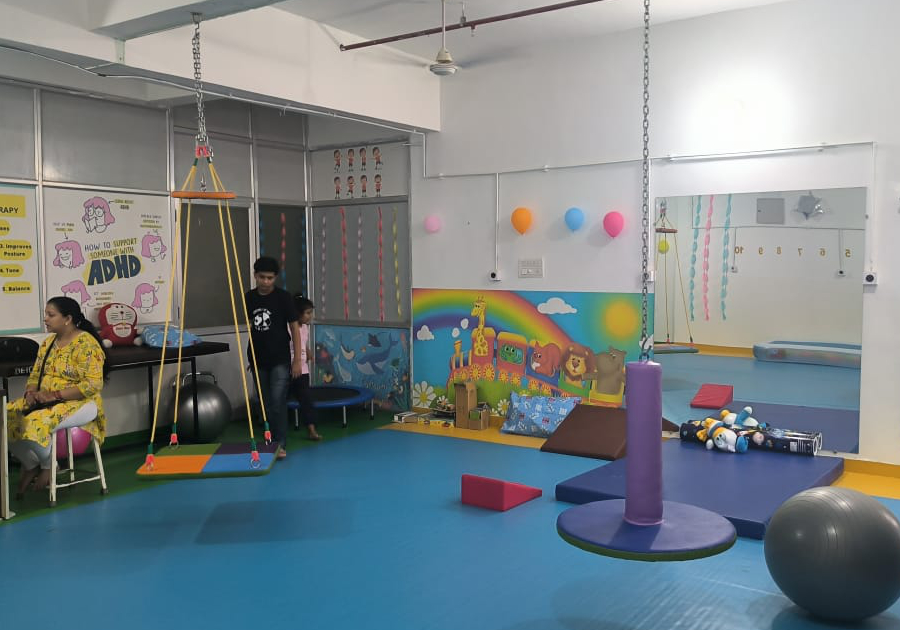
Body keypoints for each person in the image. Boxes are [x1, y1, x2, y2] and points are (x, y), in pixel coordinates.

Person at [6, 296, 108, 497]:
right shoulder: (48, 343)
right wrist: (30, 393)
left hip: (80, 403)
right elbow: (35, 374)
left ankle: (48, 465)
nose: (45, 319)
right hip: (45, 400)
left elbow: (93, 384)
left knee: (34, 422)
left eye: (51, 315)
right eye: (46, 314)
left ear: (67, 319)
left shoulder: (86, 344)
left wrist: (55, 395)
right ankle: (31, 464)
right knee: (6, 417)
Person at [245, 257, 302, 459]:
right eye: (262, 277)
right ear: (255, 276)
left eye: (270, 278)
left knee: (278, 401)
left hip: (280, 358)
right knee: (265, 403)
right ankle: (269, 439)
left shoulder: (283, 298)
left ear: (275, 278)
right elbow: (250, 327)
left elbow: (294, 328)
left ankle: (280, 443)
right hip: (257, 359)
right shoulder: (249, 297)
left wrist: (297, 359)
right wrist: (250, 357)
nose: (266, 282)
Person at [291, 295, 320, 441]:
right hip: (288, 368)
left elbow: (302, 342)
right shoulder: (289, 327)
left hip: (303, 369)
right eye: (307, 313)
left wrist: (308, 352)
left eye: (311, 312)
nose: (310, 316)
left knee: (306, 399)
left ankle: (311, 430)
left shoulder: (305, 328)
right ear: (298, 313)